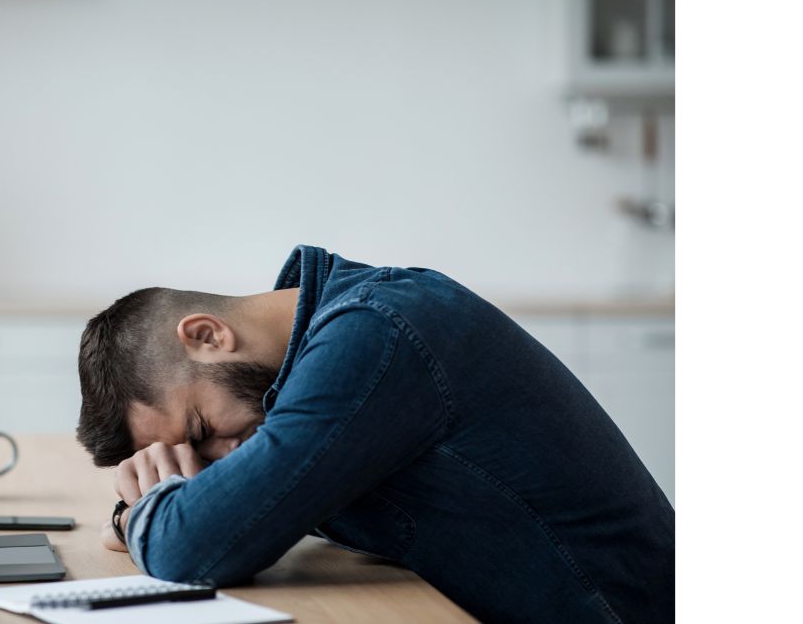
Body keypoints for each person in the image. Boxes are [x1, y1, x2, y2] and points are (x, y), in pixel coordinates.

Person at [75, 245, 674, 623]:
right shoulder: (330, 337)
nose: (213, 460)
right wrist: (168, 504)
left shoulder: (376, 336)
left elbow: (196, 548)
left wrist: (145, 514)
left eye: (201, 430)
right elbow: (238, 507)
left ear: (208, 336)